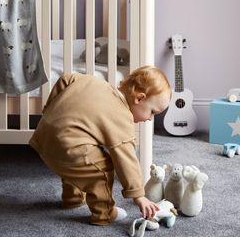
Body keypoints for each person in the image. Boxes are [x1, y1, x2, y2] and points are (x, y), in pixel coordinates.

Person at [29, 65, 171, 226]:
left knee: (80, 162)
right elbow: (127, 160)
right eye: (152, 112)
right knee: (102, 169)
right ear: (139, 98)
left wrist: (49, 110)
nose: (150, 119)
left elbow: (66, 79)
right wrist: (139, 196)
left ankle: (72, 198)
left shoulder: (93, 82)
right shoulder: (122, 118)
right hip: (68, 146)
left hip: (44, 136)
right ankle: (105, 214)